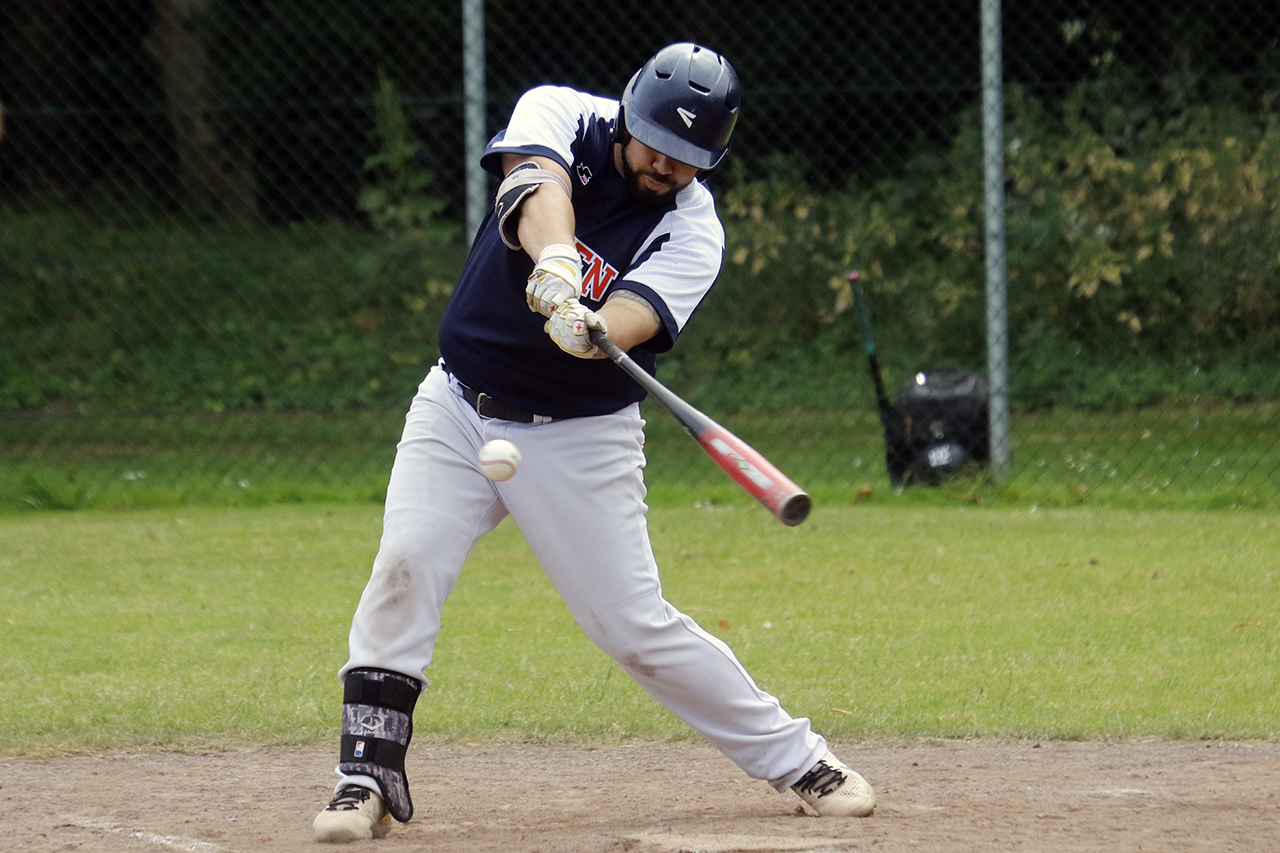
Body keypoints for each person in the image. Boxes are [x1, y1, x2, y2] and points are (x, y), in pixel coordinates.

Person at [312, 43, 876, 844]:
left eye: (689, 160)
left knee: (631, 624)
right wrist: (554, 259)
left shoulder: (694, 228)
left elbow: (634, 320)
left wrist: (591, 328)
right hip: (457, 401)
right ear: (629, 114)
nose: (667, 167)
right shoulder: (561, 112)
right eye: (657, 146)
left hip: (580, 434)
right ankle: (363, 774)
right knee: (404, 565)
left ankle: (801, 758)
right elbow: (537, 184)